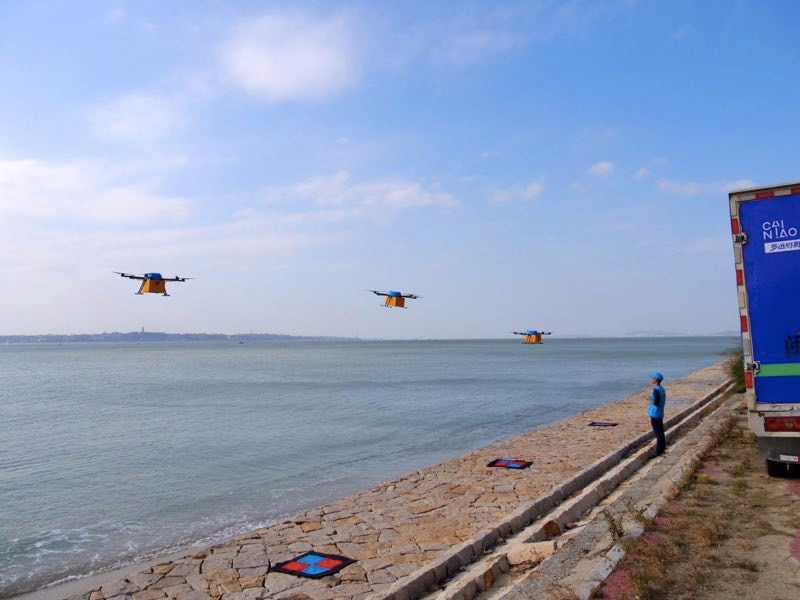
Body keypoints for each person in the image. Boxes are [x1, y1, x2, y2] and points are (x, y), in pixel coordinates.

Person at [645, 372, 666, 456]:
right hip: (660, 413)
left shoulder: (656, 390)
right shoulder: (662, 389)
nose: (651, 379)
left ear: (656, 380)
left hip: (655, 414)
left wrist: (648, 399)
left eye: (652, 378)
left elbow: (656, 402)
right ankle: (662, 449)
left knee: (658, 434)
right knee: (661, 433)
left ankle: (659, 452)